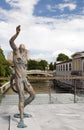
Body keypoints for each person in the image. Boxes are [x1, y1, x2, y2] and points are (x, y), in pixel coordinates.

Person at [9, 25, 35, 128]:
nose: (23, 48)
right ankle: (21, 120)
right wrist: (17, 33)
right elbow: (11, 42)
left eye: (24, 47)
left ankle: (22, 109)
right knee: (22, 97)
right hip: (19, 79)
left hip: (25, 79)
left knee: (33, 95)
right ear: (18, 48)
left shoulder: (24, 56)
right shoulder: (16, 52)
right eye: (21, 46)